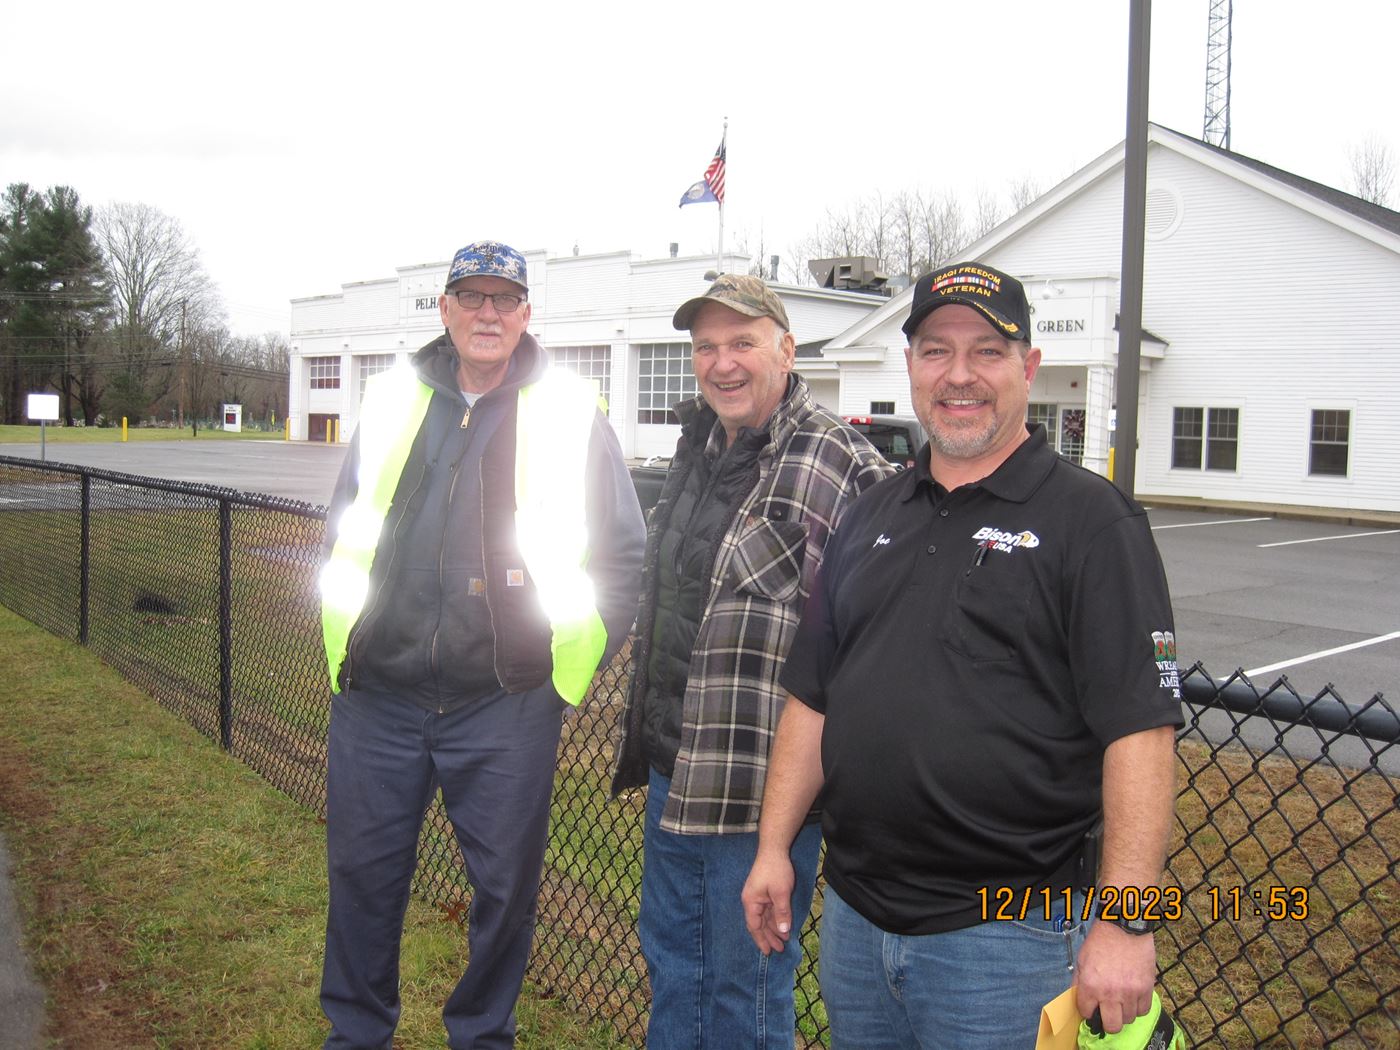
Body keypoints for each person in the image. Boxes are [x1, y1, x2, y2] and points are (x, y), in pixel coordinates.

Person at [742, 263, 1184, 1049]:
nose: (959, 375)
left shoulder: (1093, 524)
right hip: (855, 918)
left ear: (1028, 369)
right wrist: (775, 846)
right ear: (909, 365)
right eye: (936, 351)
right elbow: (813, 697)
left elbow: (1141, 734)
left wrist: (1127, 924)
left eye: (986, 351)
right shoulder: (871, 512)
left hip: (1008, 937)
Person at [318, 240, 645, 1049]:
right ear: (446, 309)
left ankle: (481, 1034)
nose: (488, 314)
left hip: (503, 703)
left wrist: (568, 666)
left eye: (505, 299)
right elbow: (346, 522)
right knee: (362, 882)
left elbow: (626, 554)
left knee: (503, 895)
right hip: (379, 698)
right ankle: (356, 1033)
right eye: (472, 298)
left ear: (528, 314)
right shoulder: (393, 400)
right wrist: (351, 643)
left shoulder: (570, 411)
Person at [611, 274, 894, 1049]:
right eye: (706, 346)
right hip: (677, 766)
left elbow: (886, 627)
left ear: (786, 349)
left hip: (763, 789)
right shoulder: (699, 447)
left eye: (742, 342)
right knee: (673, 962)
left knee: (745, 984)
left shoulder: (839, 461)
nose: (722, 363)